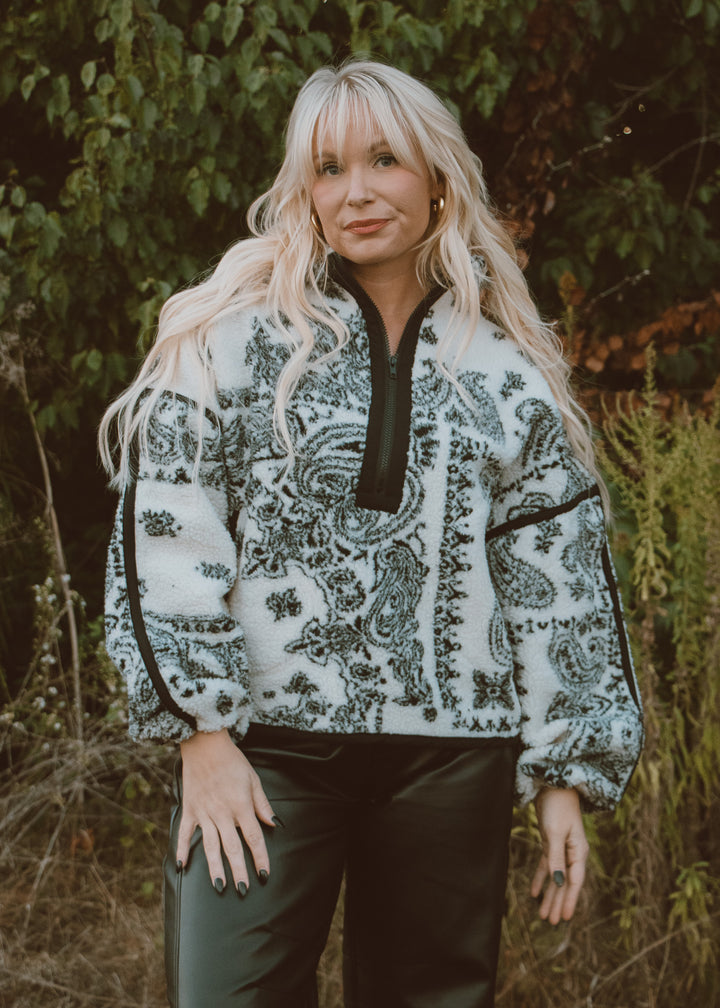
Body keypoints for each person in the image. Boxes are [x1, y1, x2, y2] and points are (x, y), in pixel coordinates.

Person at [100, 59, 644, 1008]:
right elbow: (166, 531)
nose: (355, 192)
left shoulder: (507, 373)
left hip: (452, 760)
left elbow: (558, 583)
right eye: (327, 168)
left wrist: (565, 772)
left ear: (438, 179)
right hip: (267, 756)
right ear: (302, 191)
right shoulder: (227, 341)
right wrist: (203, 734)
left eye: (384, 160)